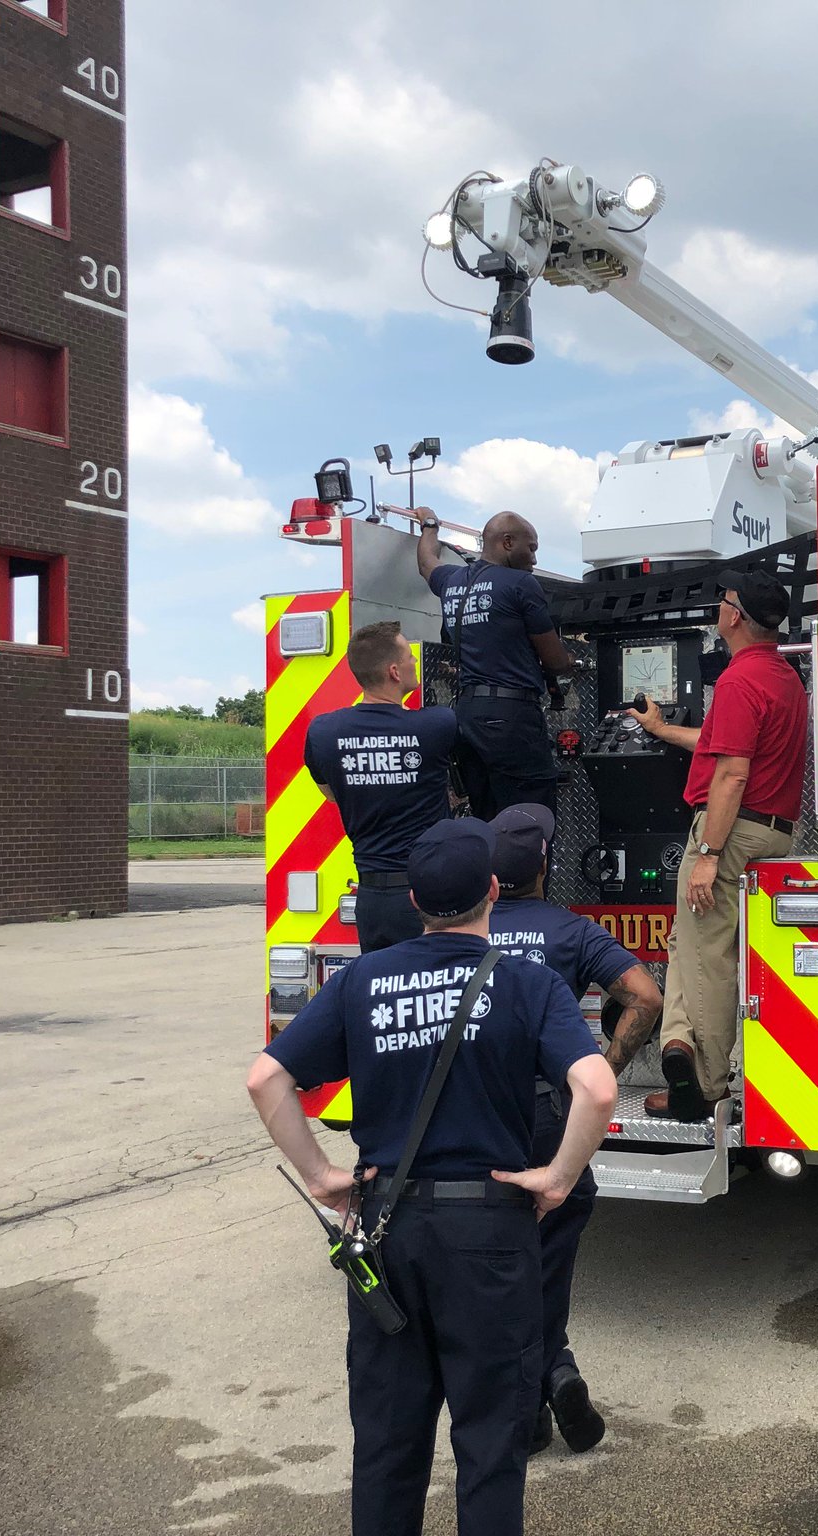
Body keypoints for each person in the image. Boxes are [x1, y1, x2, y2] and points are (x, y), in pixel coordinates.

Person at [247, 819, 618, 1536]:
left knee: (387, 1447)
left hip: (388, 1232)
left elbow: (267, 1079)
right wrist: (557, 1178)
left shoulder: (361, 980)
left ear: (414, 900)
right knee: (491, 1447)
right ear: (491, 891)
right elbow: (598, 1089)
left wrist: (321, 1175)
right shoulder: (530, 984)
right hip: (491, 1234)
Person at [486, 803, 664, 1456]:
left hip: (480, 1122)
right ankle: (554, 1369)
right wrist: (605, 1065)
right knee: (549, 1261)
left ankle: (534, 1401)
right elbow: (646, 995)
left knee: (493, 1270)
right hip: (549, 1124)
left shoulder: (461, 932)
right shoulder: (572, 932)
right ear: (546, 866)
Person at [625, 566, 807, 1121]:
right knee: (688, 940)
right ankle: (679, 1044)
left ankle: (704, 1088)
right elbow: (717, 743)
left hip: (729, 833)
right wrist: (661, 731)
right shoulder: (781, 677)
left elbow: (731, 773)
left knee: (707, 956)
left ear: (735, 617)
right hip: (769, 829)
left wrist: (707, 854)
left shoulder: (737, 680)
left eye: (723, 601)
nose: (718, 609)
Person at [303, 620, 457, 953]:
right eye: (409, 657)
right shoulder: (437, 724)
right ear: (394, 672)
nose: (414, 661)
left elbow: (331, 795)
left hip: (371, 900)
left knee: (383, 982)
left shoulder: (323, 731)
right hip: (426, 897)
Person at [416, 508, 573, 821]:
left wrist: (430, 525)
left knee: (487, 815)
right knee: (532, 817)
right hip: (512, 718)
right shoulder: (521, 584)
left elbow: (426, 563)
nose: (534, 559)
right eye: (531, 548)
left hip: (466, 717)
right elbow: (555, 662)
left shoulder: (451, 581)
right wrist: (569, 660)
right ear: (507, 542)